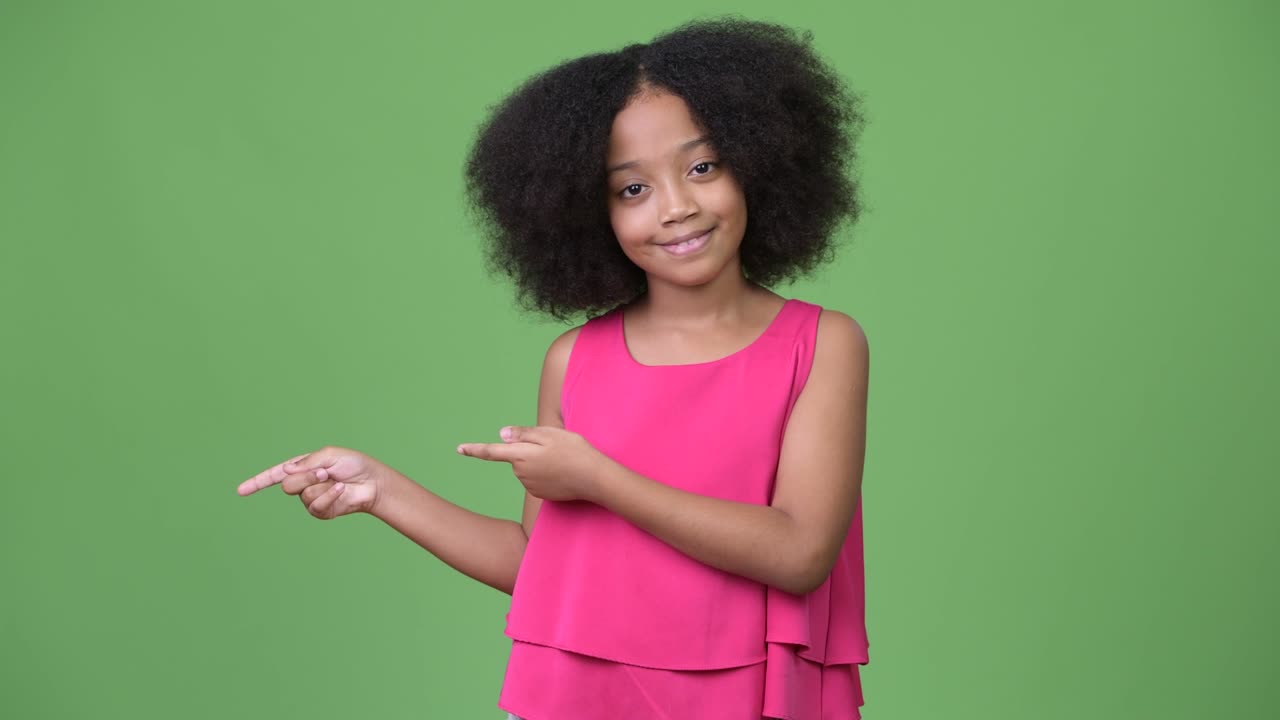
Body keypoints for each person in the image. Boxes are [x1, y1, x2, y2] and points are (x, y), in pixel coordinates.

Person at [238, 17, 870, 720]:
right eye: (632, 189)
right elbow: (542, 566)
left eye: (702, 166)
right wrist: (379, 490)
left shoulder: (822, 345)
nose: (678, 206)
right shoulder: (575, 361)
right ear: (585, 211)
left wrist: (602, 479)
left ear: (756, 161)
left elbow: (800, 552)